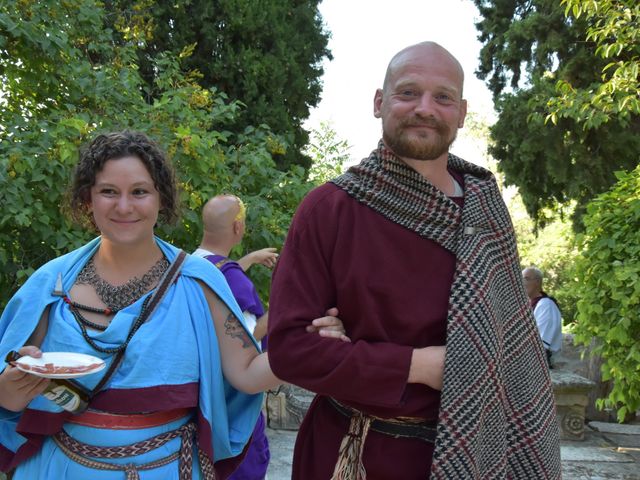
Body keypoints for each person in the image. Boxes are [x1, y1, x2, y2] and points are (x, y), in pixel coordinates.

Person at [267, 41, 561, 479]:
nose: (425, 108)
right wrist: (421, 366)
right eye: (408, 93)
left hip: (477, 450)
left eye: (442, 97)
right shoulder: (329, 208)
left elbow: (509, 342)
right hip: (353, 450)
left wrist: (357, 356)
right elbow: (290, 351)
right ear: (379, 102)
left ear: (461, 113)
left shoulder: (485, 209)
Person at [0, 130, 345, 479]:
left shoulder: (197, 281)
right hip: (58, 469)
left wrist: (309, 343)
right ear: (87, 199)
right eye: (108, 192)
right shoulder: (52, 284)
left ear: (161, 198)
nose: (124, 206)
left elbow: (247, 373)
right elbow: (9, 384)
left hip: (166, 469)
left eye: (139, 191)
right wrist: (8, 393)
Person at [194, 195, 276, 480]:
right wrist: (279, 314)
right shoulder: (234, 280)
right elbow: (248, 342)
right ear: (238, 227)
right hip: (233, 403)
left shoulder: (187, 267)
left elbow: (218, 275)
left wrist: (248, 260)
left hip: (198, 398)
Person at [522, 267, 563, 368]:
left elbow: (540, 345)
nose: (522, 283)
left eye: (526, 279)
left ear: (537, 282)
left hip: (539, 365)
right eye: (521, 279)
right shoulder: (531, 304)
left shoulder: (546, 305)